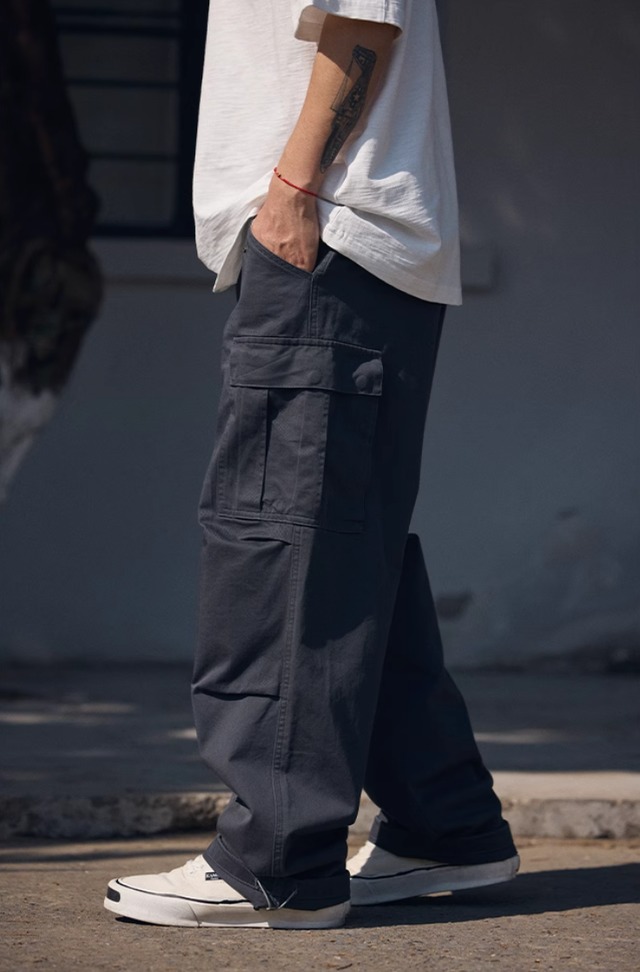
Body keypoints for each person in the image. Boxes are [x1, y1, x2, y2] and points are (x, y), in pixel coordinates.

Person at [104, 0, 519, 930]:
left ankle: (278, 860)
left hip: (325, 235)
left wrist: (293, 190)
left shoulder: (311, 212)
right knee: (343, 548)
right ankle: (445, 823)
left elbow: (363, 23)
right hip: (334, 242)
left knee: (280, 546)